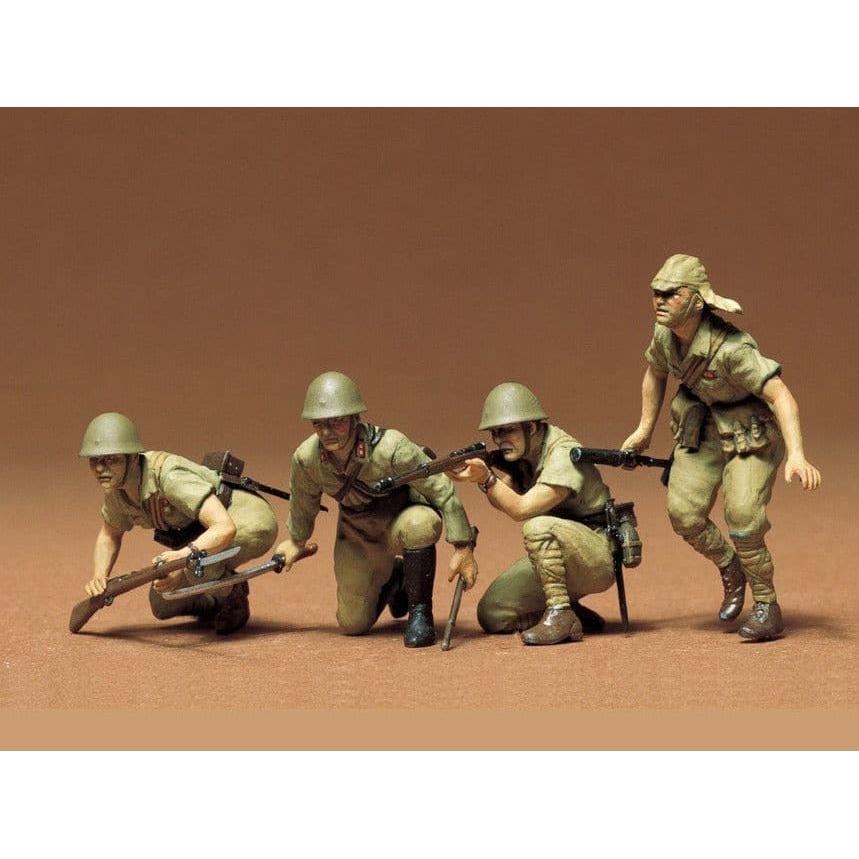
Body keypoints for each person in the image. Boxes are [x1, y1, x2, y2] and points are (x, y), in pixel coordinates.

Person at [621, 253, 821, 641]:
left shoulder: (732, 349)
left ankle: (766, 604)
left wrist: (797, 453)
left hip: (748, 433)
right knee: (684, 513)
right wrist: (644, 429)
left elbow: (780, 396)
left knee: (744, 518)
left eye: (672, 293)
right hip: (702, 429)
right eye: (656, 292)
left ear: (697, 300)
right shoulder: (664, 335)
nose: (660, 300)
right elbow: (655, 373)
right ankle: (731, 567)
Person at [274, 371, 477, 648]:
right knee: (352, 623)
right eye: (319, 423)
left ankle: (420, 612)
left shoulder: (392, 447)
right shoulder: (307, 458)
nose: (327, 432)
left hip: (399, 519)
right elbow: (303, 500)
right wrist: (296, 541)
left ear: (355, 418)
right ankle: (396, 578)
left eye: (336, 421)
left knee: (421, 524)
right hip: (357, 531)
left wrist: (463, 546)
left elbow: (440, 488)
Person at [450, 382, 619, 645]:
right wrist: (485, 478)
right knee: (493, 613)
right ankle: (569, 611)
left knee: (536, 526)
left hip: (597, 553)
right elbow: (506, 497)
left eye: (508, 430)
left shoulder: (563, 454)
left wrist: (486, 479)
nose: (500, 440)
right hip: (560, 552)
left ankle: (560, 613)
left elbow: (522, 509)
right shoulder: (526, 455)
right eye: (495, 433)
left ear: (531, 427)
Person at [80, 412, 278, 634]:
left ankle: (233, 595)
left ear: (133, 458)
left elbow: (224, 527)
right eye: (94, 460)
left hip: (247, 519)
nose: (100, 469)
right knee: (163, 602)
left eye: (111, 460)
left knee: (198, 564)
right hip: (205, 531)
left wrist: (183, 558)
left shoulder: (170, 476)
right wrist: (100, 575)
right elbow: (110, 534)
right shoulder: (117, 489)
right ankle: (217, 598)